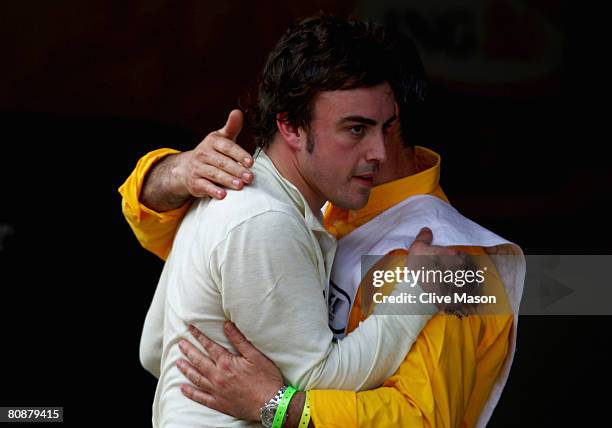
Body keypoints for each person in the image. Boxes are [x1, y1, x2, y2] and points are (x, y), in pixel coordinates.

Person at [119, 16, 525, 428]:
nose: (377, 151)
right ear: (291, 125)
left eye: (383, 127)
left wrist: (273, 404)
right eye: (356, 129)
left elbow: (422, 421)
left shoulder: (455, 255)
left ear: (398, 116)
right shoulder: (288, 208)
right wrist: (168, 172)